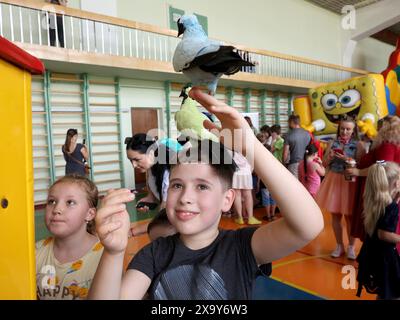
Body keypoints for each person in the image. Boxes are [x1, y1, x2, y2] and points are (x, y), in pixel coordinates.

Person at [88, 88, 323, 300]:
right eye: (177, 185)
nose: (185, 197)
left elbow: (308, 225)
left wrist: (250, 147)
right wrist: (113, 253)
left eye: (202, 186)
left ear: (227, 199)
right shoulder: (153, 254)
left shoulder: (242, 248)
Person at [36, 175, 103, 300]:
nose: (57, 209)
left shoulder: (105, 258)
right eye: (52, 201)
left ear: (90, 214)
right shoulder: (35, 252)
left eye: (70, 202)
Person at [316, 117, 362, 259]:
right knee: (335, 216)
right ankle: (339, 245)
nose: (344, 131)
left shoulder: (358, 144)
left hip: (350, 182)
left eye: (348, 129)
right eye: (342, 128)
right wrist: (329, 157)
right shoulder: (332, 142)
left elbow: (360, 164)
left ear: (353, 131)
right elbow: (323, 164)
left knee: (350, 217)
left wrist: (347, 159)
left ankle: (351, 247)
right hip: (334, 180)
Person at [348, 115, 400, 241]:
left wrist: (358, 172)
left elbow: (382, 167)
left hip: (380, 191)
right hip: (384, 190)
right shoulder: (391, 144)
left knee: (378, 230)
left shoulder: (387, 145)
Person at [356, 162, 400, 299]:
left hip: (373, 253)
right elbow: (383, 234)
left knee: (384, 290)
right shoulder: (391, 206)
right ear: (397, 183)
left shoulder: (376, 201)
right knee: (394, 292)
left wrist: (396, 198)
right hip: (386, 256)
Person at [125, 134, 176, 237]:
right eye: (131, 161)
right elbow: (153, 197)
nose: (134, 165)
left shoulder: (168, 173)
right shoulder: (151, 169)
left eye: (137, 160)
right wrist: (148, 200)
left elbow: (163, 220)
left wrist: (132, 232)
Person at [231, 151, 261, 225]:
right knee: (248, 195)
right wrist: (249, 171)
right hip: (246, 171)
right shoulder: (248, 144)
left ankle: (240, 218)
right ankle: (250, 217)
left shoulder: (230, 144)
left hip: (235, 172)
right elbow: (253, 161)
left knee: (237, 195)